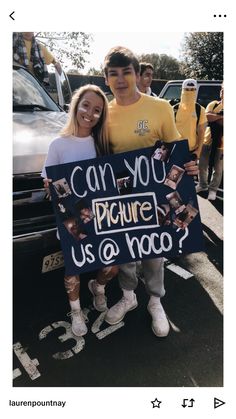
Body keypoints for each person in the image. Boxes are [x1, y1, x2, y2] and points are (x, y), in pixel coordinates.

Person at [103, 46, 198, 337]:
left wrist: (189, 166)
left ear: (135, 74)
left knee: (154, 250)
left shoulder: (158, 108)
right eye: (113, 74)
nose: (120, 79)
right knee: (125, 251)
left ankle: (156, 300)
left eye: (126, 72)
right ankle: (129, 296)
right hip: (121, 195)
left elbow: (175, 149)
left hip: (155, 194)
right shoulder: (104, 112)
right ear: (106, 79)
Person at [42, 85, 118, 336]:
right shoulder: (58, 144)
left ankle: (98, 287)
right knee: (73, 269)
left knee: (111, 267)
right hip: (71, 219)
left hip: (102, 217)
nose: (90, 113)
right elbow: (49, 185)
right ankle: (75, 311)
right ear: (75, 105)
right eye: (86, 105)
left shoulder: (103, 144)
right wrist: (51, 186)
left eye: (97, 110)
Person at [196, 84, 224, 201]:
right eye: (222, 91)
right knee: (202, 165)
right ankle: (202, 185)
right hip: (207, 140)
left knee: (217, 168)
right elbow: (207, 116)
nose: (222, 93)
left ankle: (213, 189)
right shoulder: (213, 104)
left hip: (222, 144)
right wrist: (221, 116)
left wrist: (216, 117)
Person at [173, 79, 207, 159]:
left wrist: (198, 151)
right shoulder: (174, 109)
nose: (189, 92)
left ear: (195, 90)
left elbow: (201, 132)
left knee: (190, 171)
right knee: (174, 172)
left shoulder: (200, 110)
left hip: (191, 151)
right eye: (187, 89)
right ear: (182, 90)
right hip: (175, 150)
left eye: (192, 90)